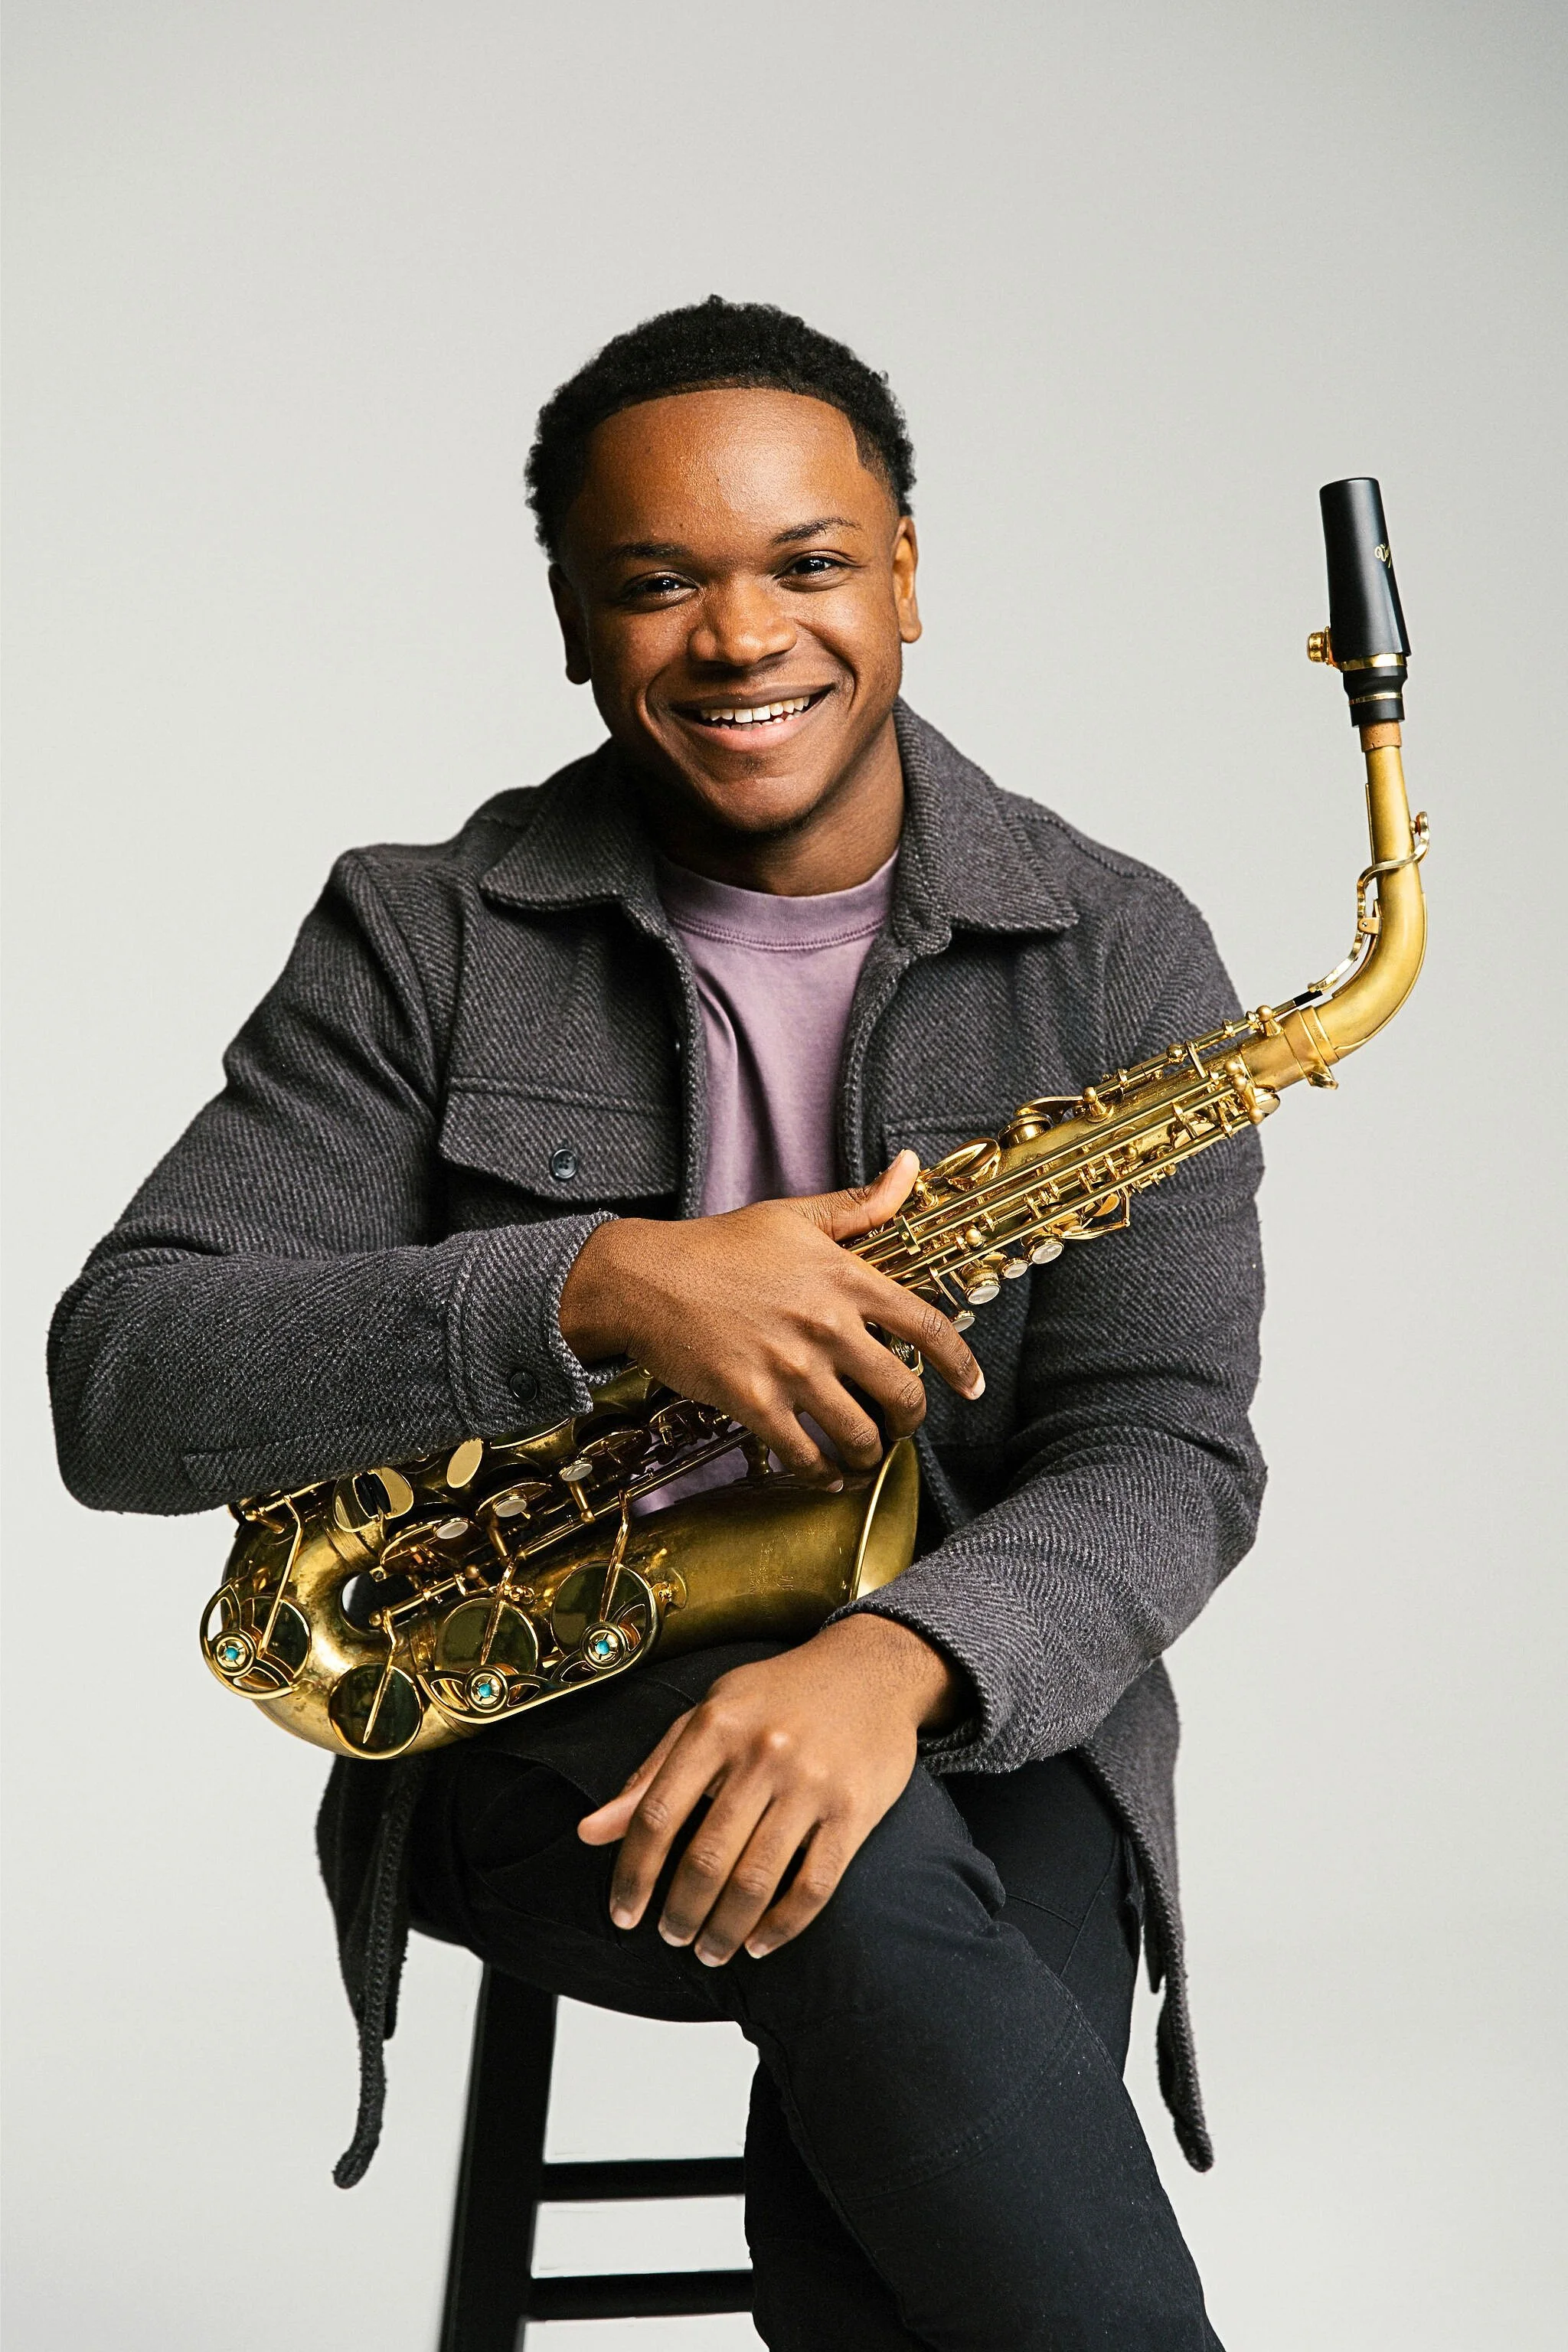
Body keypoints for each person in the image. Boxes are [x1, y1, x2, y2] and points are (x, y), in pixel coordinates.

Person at [49, 297, 1264, 2349]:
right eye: (655, 584)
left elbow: (1169, 1449)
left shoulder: (1118, 941)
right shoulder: (422, 934)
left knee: (958, 1955)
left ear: (904, 576)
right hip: (534, 1699)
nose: (742, 637)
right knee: (875, 1917)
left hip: (967, 1691)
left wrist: (899, 1661)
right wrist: (595, 1284)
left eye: (806, 563)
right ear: (574, 625)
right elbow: (126, 1383)